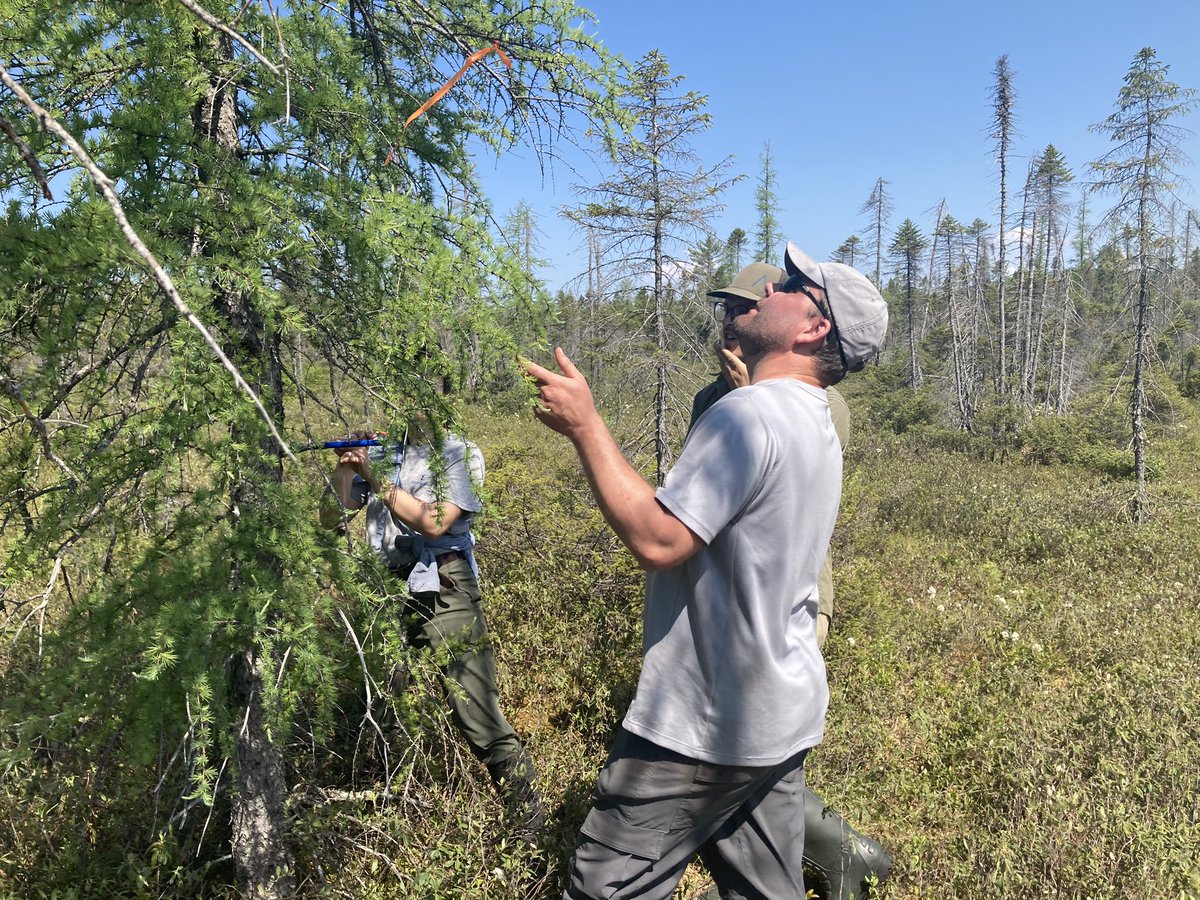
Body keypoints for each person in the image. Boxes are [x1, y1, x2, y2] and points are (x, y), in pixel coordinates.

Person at [524, 245, 888, 899]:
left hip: (706, 721)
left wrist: (586, 425)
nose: (771, 290)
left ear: (814, 328)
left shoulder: (751, 412)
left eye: (792, 287)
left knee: (603, 889)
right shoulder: (812, 418)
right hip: (781, 712)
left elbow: (660, 540)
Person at [698, 256, 891, 899]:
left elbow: (792, 466)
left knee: (755, 759)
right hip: (727, 601)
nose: (728, 318)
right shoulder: (711, 395)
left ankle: (843, 853)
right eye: (724, 306)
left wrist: (747, 390)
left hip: (792, 601)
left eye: (741, 304)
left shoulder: (818, 397)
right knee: (756, 763)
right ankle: (841, 857)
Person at [323, 420, 543, 840]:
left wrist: (373, 474)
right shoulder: (382, 450)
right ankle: (393, 811)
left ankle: (528, 822)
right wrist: (346, 467)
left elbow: (435, 522)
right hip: (385, 586)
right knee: (387, 696)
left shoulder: (461, 452)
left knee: (473, 706)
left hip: (443, 582)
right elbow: (330, 514)